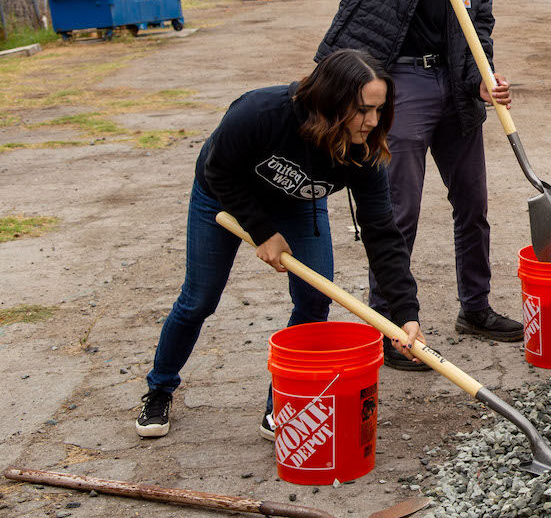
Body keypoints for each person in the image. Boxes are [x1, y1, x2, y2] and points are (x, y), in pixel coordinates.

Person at [136, 50, 425, 440]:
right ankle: (159, 388)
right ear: (331, 100)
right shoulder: (260, 111)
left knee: (314, 298)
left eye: (379, 109)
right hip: (223, 197)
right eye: (362, 110)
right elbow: (216, 169)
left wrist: (405, 312)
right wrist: (261, 231)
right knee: (199, 299)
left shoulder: (364, 150)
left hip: (298, 202)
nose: (373, 121)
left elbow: (382, 233)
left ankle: (282, 405)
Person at [302, 0, 519, 370]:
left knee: (473, 204)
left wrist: (485, 80)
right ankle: (390, 328)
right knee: (397, 212)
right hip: (395, 84)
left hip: (456, 92)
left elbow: (477, 34)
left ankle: (476, 308)